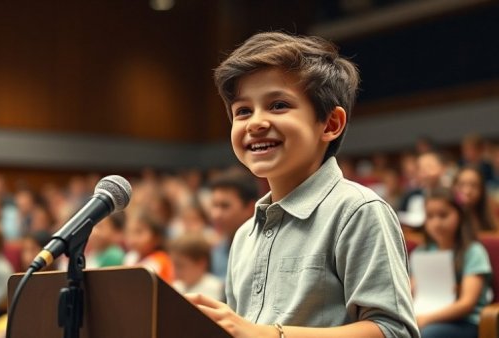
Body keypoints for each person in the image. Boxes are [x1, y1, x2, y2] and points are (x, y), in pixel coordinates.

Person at [185, 32, 418, 337]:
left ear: (330, 124)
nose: (255, 123)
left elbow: (393, 331)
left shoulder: (357, 211)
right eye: (243, 111)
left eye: (278, 105)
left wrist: (271, 335)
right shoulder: (244, 234)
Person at [413, 188, 492, 338]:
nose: (436, 223)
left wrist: (426, 319)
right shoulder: (420, 252)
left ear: (460, 215)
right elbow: (413, 292)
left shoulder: (474, 252)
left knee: (427, 334)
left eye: (443, 215)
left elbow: (467, 304)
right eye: (430, 216)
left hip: (466, 322)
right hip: (425, 316)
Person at [0, 230, 53, 338]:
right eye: (25, 250)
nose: (27, 256)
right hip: (14, 318)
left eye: (33, 250)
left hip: (36, 323)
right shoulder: (24, 276)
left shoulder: (54, 279)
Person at [208, 170, 259, 280]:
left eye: (225, 206)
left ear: (250, 208)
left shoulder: (261, 250)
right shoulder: (216, 251)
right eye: (214, 205)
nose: (216, 215)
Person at [398, 151, 447, 227]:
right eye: (421, 168)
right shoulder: (412, 195)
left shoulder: (453, 193)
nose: (425, 172)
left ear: (443, 168)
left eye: (429, 167)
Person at [123, 212, 174, 283]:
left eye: (139, 232)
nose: (132, 238)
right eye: (129, 232)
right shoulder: (130, 256)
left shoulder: (161, 262)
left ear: (156, 237)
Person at [170, 234, 224, 301]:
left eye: (180, 266)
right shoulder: (176, 286)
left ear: (201, 264)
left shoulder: (217, 290)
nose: (175, 271)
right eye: (173, 265)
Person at [453, 166, 497, 233]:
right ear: (454, 187)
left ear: (482, 190)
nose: (467, 191)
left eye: (474, 185)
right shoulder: (450, 216)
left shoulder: (490, 214)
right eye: (461, 185)